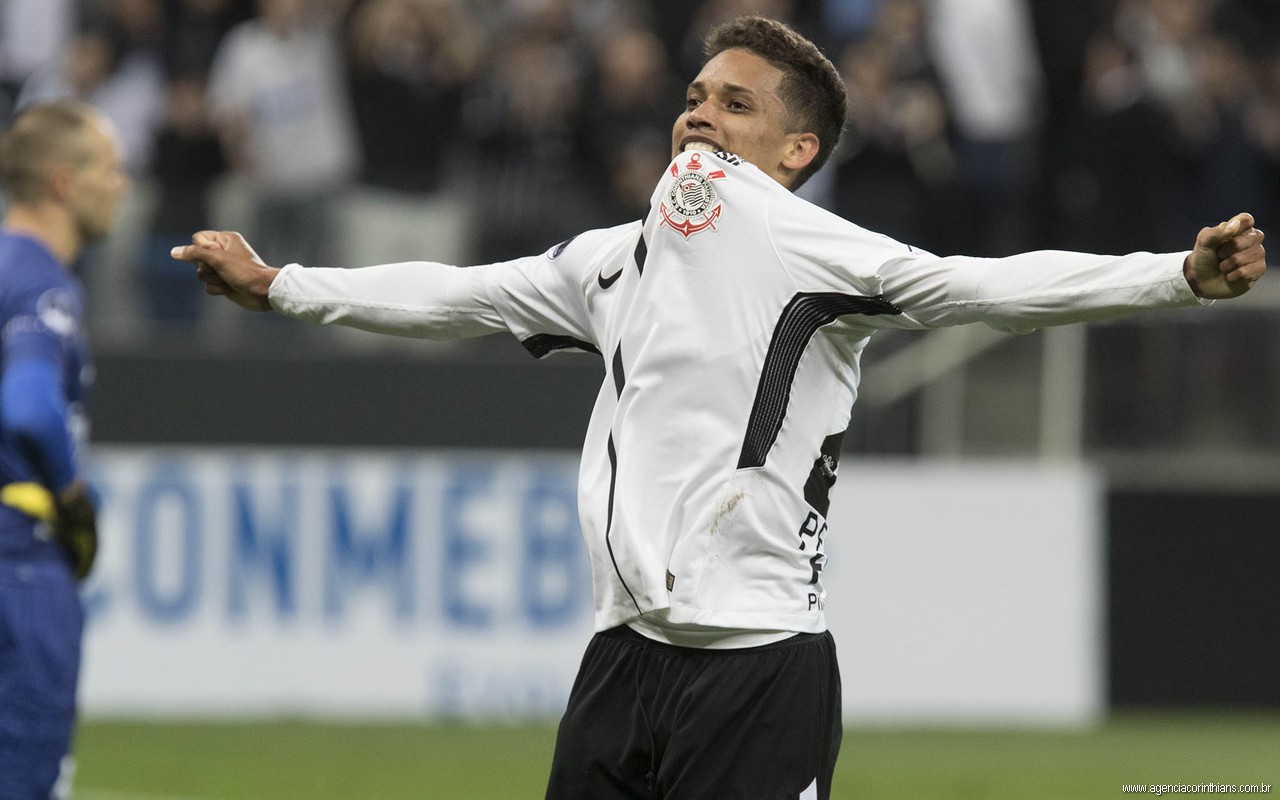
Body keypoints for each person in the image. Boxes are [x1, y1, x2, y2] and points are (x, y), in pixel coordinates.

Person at [172, 16, 1267, 800]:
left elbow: (981, 286)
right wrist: (285, 286)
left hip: (758, 667)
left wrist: (1172, 276)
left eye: (735, 104)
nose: (699, 114)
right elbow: (457, 295)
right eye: (695, 96)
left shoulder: (816, 250)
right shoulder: (609, 260)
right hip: (619, 661)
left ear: (797, 153)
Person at [0, 100, 125, 799]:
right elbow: (28, 405)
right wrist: (73, 497)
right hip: (20, 565)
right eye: (108, 168)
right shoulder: (44, 284)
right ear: (62, 182)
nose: (120, 185)